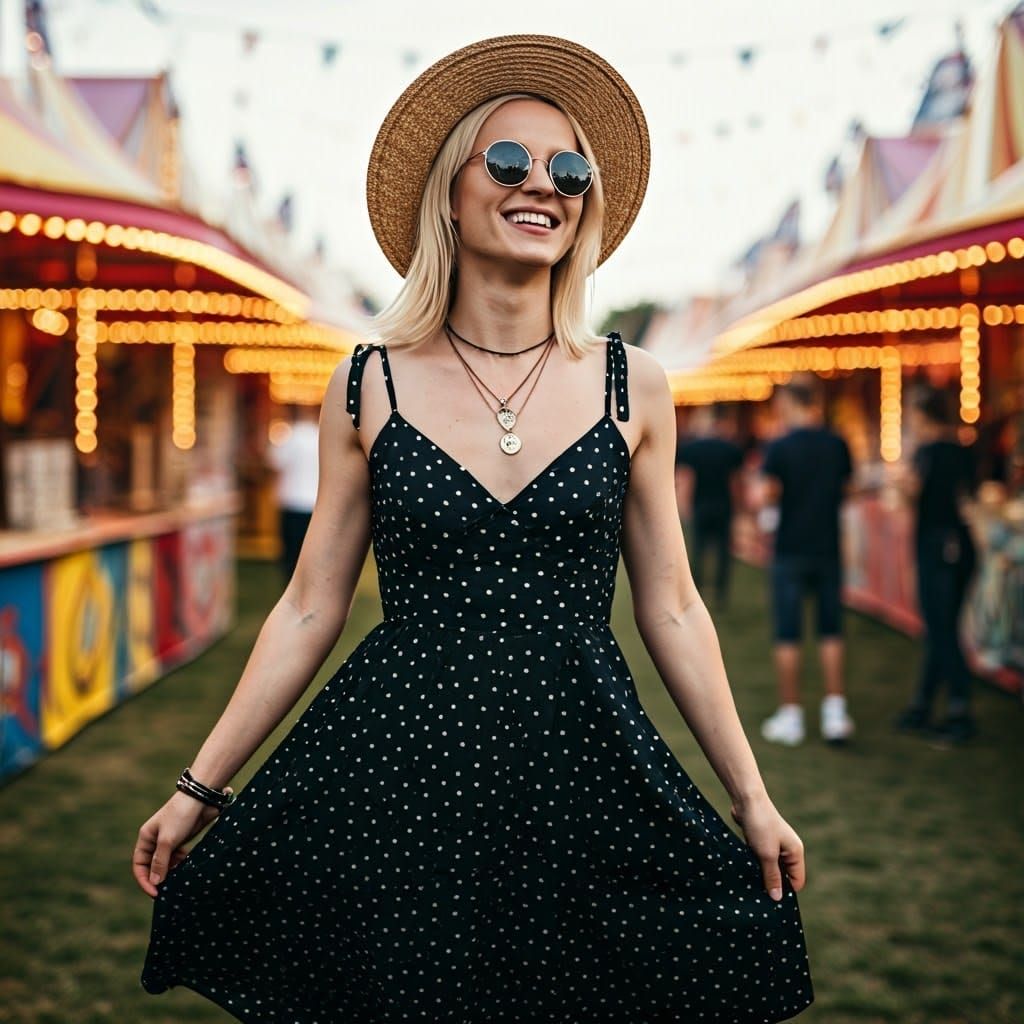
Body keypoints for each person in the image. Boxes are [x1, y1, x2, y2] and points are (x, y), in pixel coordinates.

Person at [134, 35, 813, 1022]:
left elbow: (670, 606)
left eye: (568, 168)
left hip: (579, 767)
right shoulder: (365, 383)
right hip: (395, 774)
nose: (543, 184)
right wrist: (199, 786)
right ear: (448, 192)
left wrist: (750, 796)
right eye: (508, 160)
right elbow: (308, 604)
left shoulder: (636, 384)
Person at [759, 374, 856, 747]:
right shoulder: (837, 444)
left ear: (790, 403)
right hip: (827, 548)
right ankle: (835, 713)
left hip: (790, 549)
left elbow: (768, 495)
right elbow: (847, 489)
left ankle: (792, 715)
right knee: (831, 630)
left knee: (788, 633)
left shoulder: (780, 447)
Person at [894, 386, 978, 743]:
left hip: (935, 546)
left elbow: (911, 493)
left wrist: (899, 481)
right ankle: (923, 704)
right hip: (962, 546)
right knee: (941, 626)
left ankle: (959, 707)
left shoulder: (927, 452)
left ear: (922, 415)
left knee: (940, 629)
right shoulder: (964, 450)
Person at [676, 404, 744, 608]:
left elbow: (687, 479)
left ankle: (695, 592)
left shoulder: (692, 448)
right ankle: (721, 594)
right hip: (723, 505)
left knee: (698, 549)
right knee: (723, 552)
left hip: (701, 505)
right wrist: (738, 504)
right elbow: (735, 481)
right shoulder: (730, 448)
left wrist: (685, 505)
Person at [267, 402, 320, 582]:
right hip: (314, 503)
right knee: (311, 552)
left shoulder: (288, 438)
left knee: (291, 553)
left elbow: (274, 465)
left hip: (292, 501)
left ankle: (291, 587)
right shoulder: (319, 437)